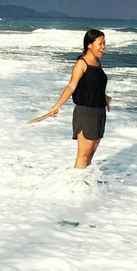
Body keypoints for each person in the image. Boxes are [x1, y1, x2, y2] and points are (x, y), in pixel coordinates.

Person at [46, 29, 111, 169]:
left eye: (104, 43)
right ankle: (75, 187)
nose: (103, 47)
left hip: (99, 112)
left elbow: (93, 85)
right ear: (89, 45)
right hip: (85, 113)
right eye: (100, 43)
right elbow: (71, 86)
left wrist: (105, 97)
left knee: (90, 155)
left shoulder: (97, 63)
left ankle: (85, 185)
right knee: (83, 155)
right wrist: (57, 106)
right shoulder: (81, 64)